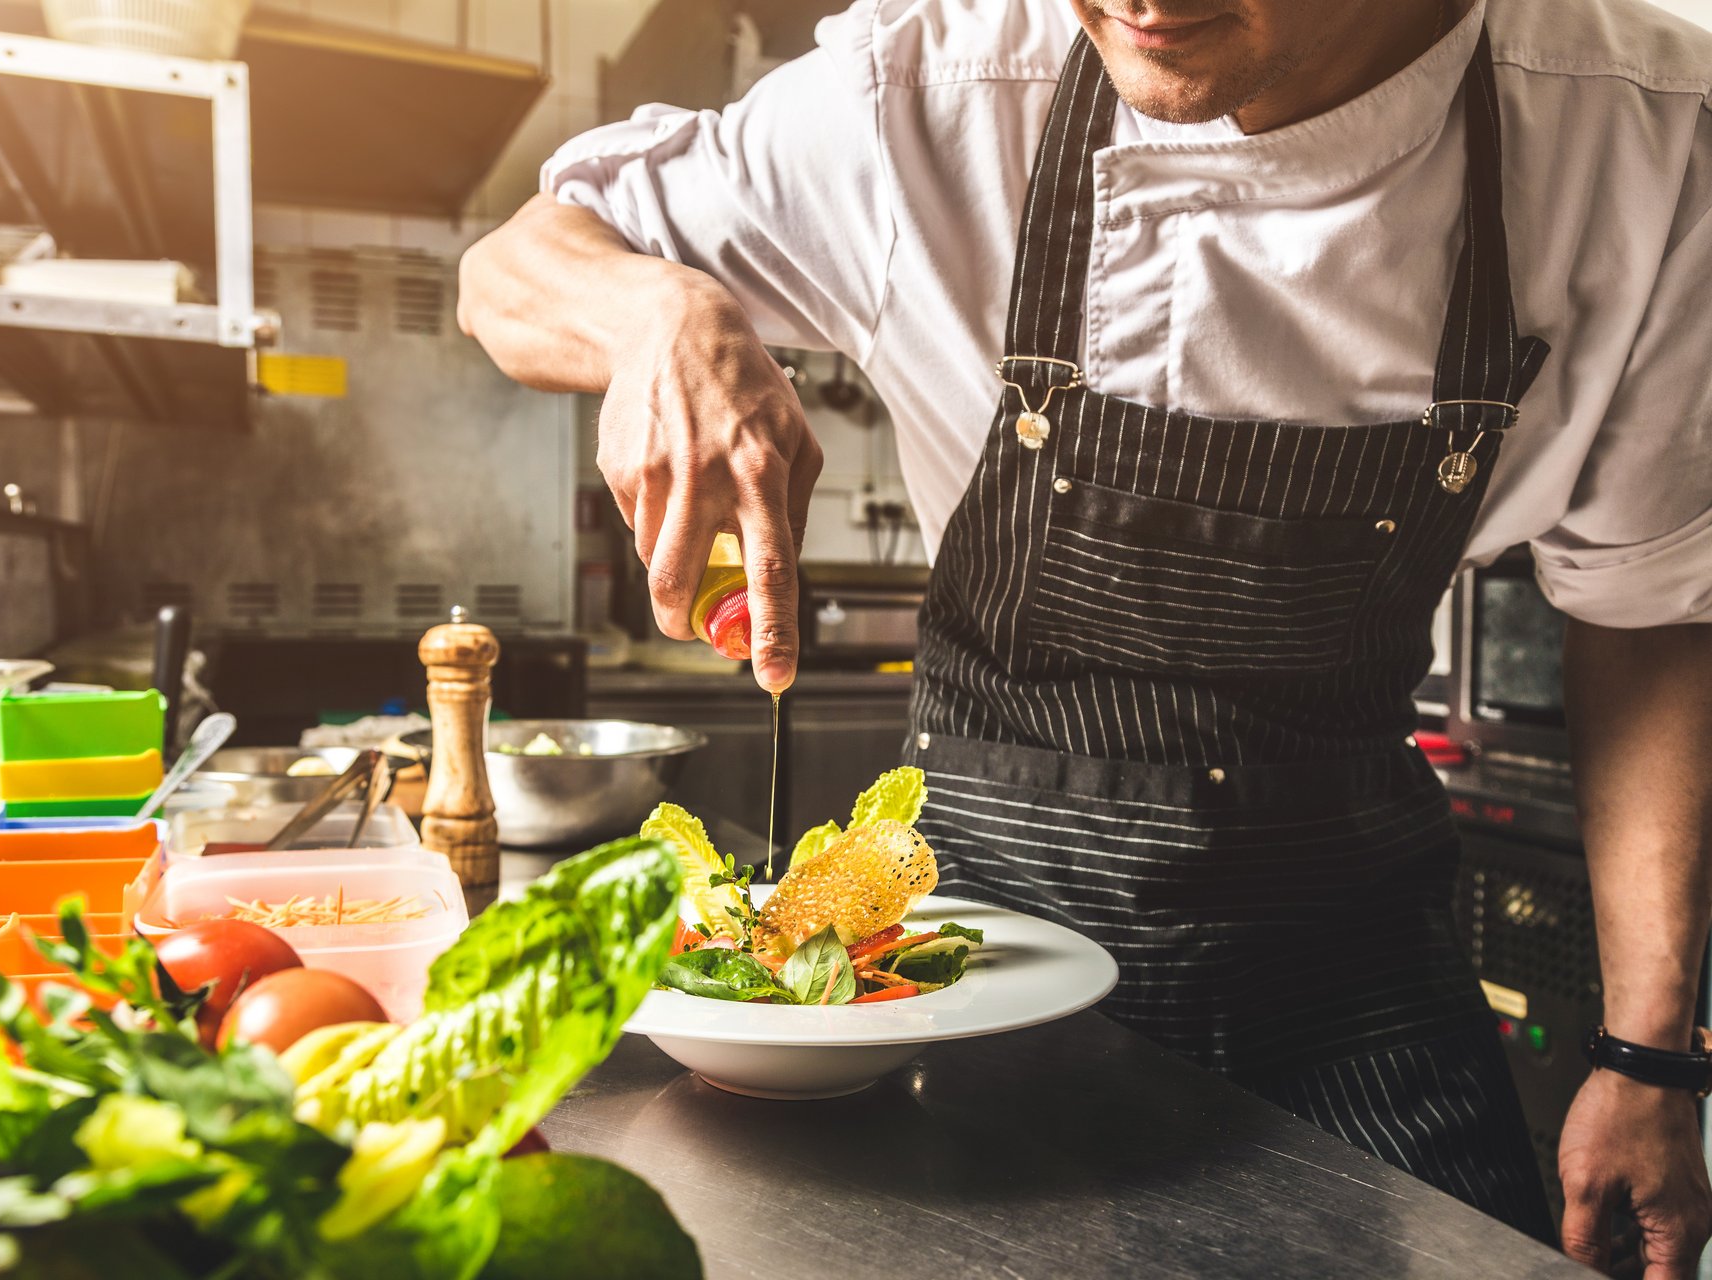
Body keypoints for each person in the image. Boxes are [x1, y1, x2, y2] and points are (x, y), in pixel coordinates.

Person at [457, 0, 1712, 1270]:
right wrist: (657, 316)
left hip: (1357, 986)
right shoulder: (933, 87)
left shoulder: (1640, 138)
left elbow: (1655, 609)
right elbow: (508, 270)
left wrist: (1649, 1055)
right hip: (963, 975)